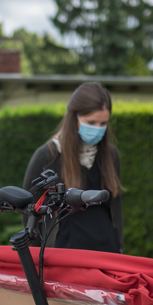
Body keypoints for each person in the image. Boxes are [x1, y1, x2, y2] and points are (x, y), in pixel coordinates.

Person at [23, 82, 123, 252]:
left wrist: (120, 248)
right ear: (74, 117)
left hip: (106, 252)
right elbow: (29, 210)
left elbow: (116, 208)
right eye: (91, 122)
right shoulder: (48, 156)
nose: (97, 129)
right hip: (64, 254)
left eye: (103, 124)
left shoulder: (111, 155)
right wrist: (37, 254)